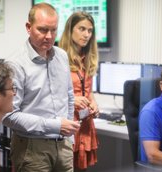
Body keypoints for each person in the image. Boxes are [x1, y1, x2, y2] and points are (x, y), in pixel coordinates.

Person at [3, 3, 80, 172]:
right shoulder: (15, 64)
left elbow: (68, 96)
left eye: (53, 30)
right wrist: (55, 126)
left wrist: (69, 138)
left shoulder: (61, 56)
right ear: (28, 27)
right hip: (31, 148)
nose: (49, 36)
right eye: (43, 30)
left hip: (63, 145)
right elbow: (9, 115)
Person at [59, 11, 99, 171]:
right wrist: (72, 100)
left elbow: (87, 89)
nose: (86, 34)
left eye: (90, 31)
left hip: (84, 124)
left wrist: (93, 102)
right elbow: (49, 94)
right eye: (82, 29)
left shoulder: (87, 57)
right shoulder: (57, 56)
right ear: (70, 30)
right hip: (67, 123)